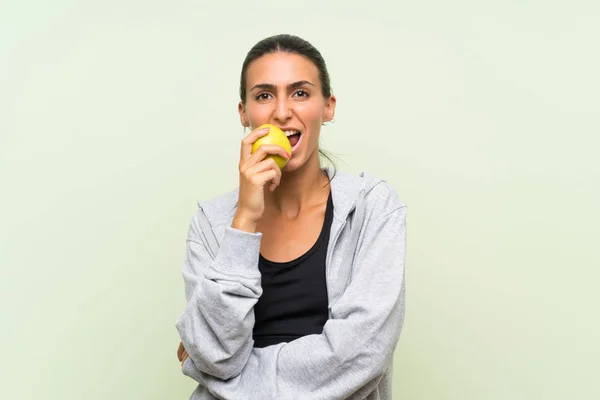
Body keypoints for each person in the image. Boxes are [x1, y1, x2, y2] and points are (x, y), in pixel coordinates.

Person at [175, 34, 407, 400]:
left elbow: (362, 354)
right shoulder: (211, 224)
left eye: (300, 93)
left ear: (328, 107)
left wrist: (230, 378)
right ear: (244, 113)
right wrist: (245, 220)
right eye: (264, 95)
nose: (282, 112)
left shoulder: (372, 209)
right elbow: (216, 355)